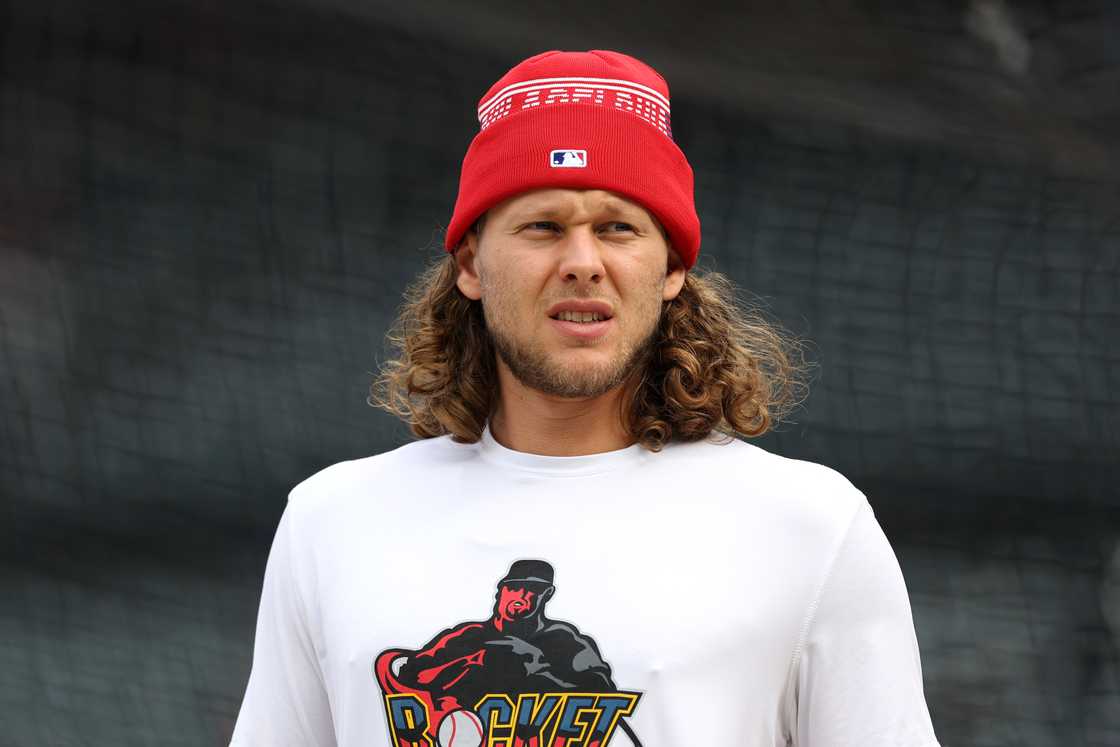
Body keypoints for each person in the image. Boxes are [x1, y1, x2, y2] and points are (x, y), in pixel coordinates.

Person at [230, 50, 941, 747]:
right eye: (543, 226)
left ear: (669, 268)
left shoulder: (808, 528)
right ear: (473, 264)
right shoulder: (334, 523)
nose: (581, 262)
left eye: (617, 227)